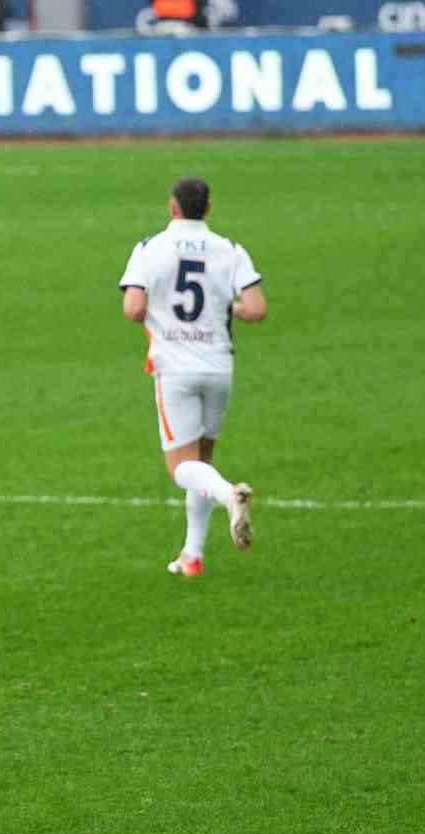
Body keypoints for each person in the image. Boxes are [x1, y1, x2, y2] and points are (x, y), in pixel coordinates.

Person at [118, 177, 266, 577]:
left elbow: (133, 308)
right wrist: (225, 308)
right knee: (202, 460)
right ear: (209, 208)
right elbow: (255, 307)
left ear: (172, 207)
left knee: (181, 467)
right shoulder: (229, 249)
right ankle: (192, 554)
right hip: (219, 366)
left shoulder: (150, 248)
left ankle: (228, 496)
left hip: (175, 369)